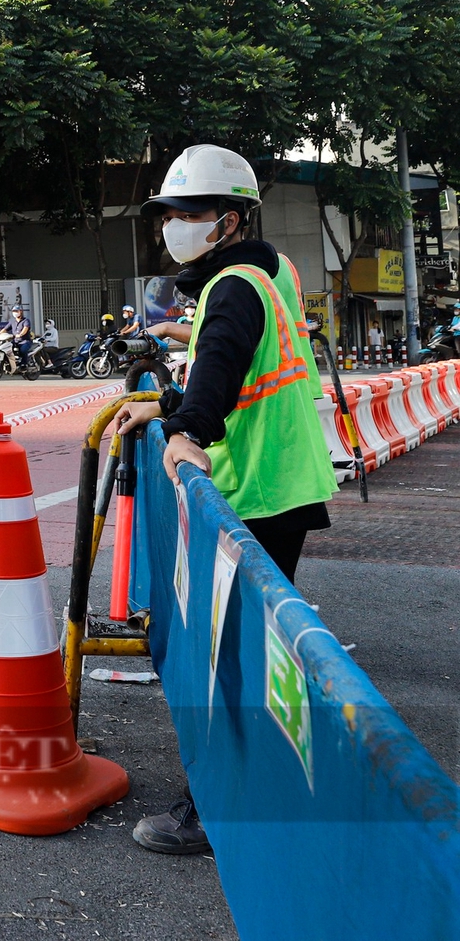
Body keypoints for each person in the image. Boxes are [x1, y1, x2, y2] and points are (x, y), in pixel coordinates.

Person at [110, 144, 336, 856]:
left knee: (232, 661)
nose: (175, 225)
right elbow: (235, 376)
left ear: (230, 220)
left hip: (261, 491)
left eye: (191, 212)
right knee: (258, 652)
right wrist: (171, 409)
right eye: (169, 214)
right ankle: (269, 787)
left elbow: (221, 372)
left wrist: (185, 430)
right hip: (282, 482)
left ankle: (217, 810)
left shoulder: (233, 286)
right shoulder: (269, 274)